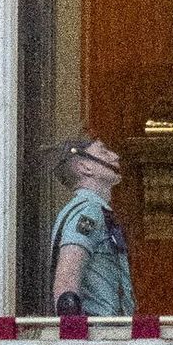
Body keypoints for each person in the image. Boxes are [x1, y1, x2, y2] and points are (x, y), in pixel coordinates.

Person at [46, 133, 135, 319]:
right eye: (103, 152)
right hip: (100, 332)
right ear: (85, 166)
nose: (115, 156)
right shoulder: (88, 212)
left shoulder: (93, 210)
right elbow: (67, 279)